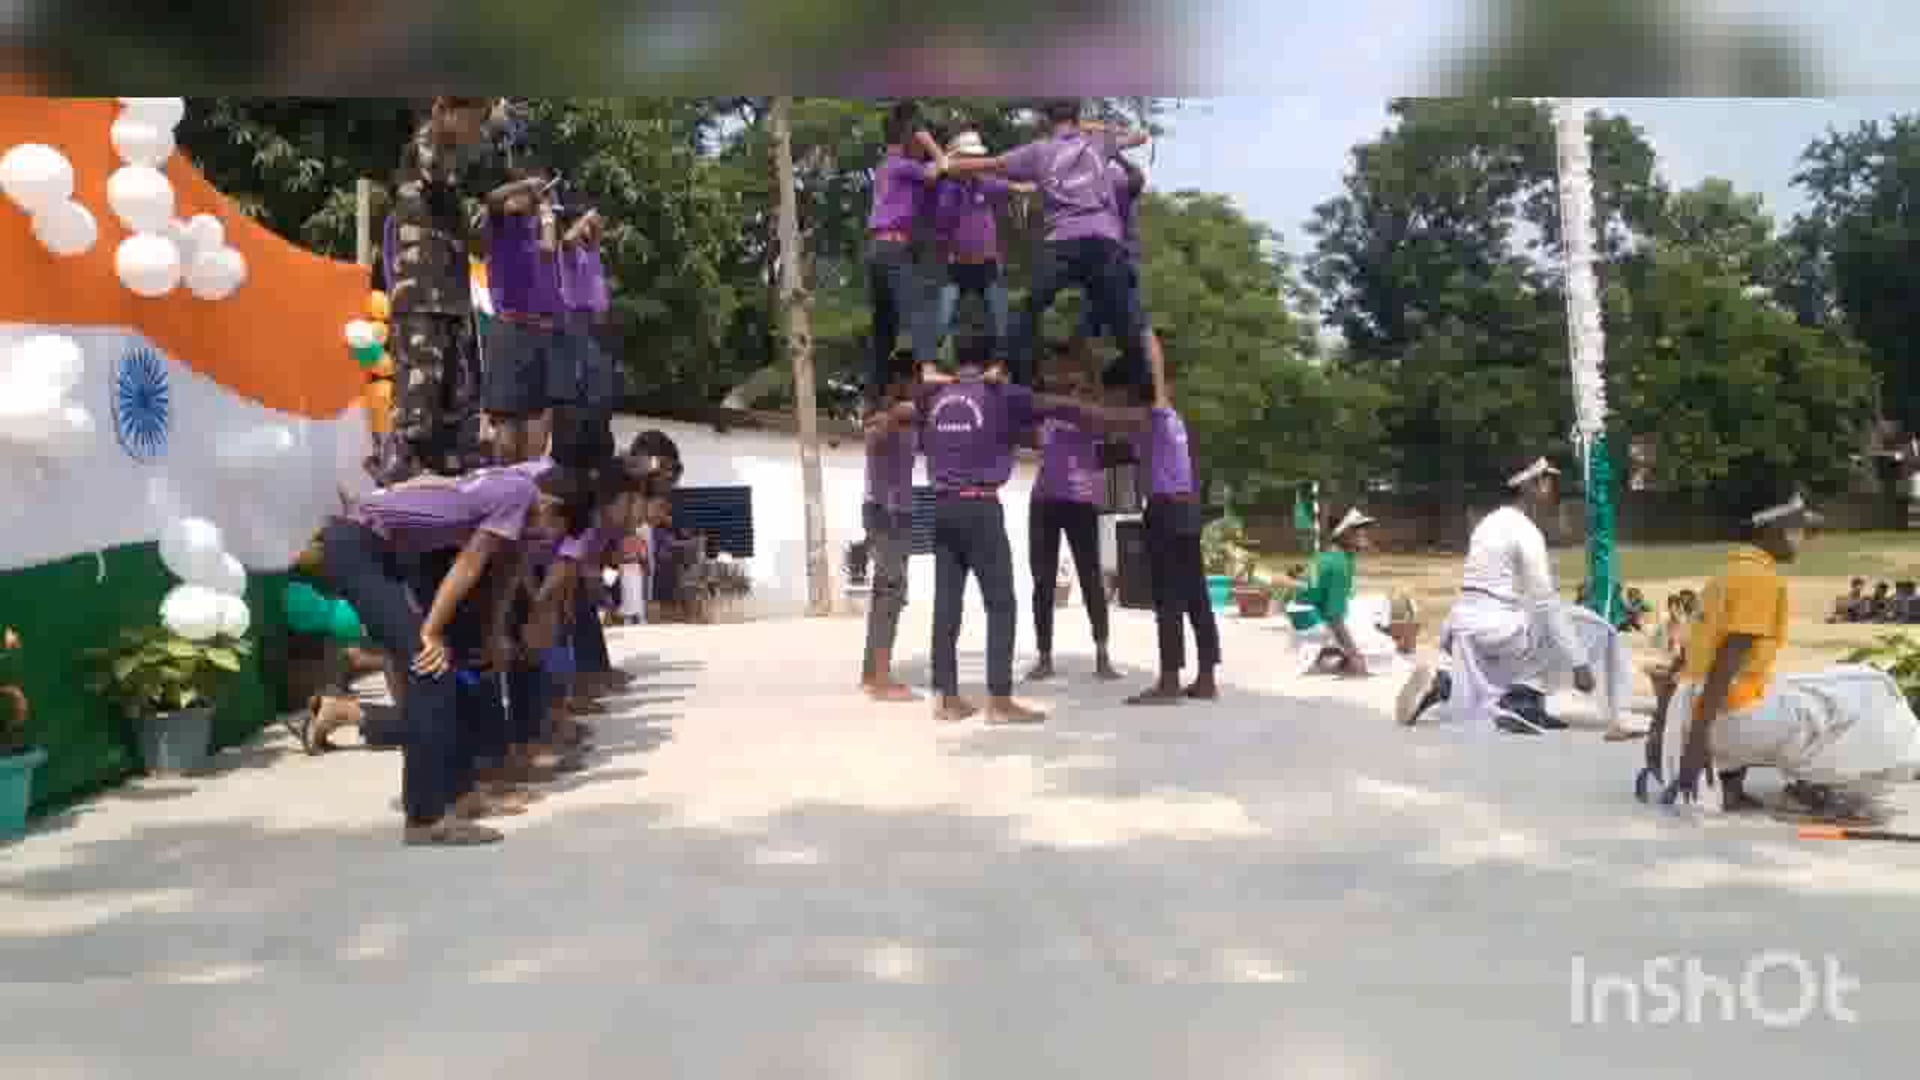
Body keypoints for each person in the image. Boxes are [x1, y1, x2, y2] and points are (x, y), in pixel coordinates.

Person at [320, 465, 588, 846]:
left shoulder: (521, 509)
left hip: (386, 551)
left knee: (452, 668)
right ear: (550, 505)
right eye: (557, 529)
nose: (550, 539)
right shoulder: (521, 494)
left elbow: (507, 573)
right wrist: (429, 633)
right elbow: (471, 562)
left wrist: (494, 634)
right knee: (430, 667)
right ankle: (426, 819)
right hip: (358, 544)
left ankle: (460, 795)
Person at [1641, 494, 1920, 821]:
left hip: (1696, 708)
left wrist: (1663, 728)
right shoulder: (1760, 580)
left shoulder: (1728, 573)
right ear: (1771, 532)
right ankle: (1816, 790)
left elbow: (1687, 657)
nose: (1802, 539)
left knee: (1812, 686)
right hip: (1726, 718)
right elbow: (1727, 661)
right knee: (1872, 689)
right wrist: (1696, 746)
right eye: (1795, 531)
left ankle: (1730, 776)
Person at [872, 334, 1097, 723]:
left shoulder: (935, 398)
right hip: (980, 507)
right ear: (994, 361)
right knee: (1001, 603)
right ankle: (999, 701)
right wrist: (1097, 410)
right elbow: (1054, 406)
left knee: (947, 604)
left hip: (942, 506)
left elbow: (908, 406)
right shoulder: (1001, 394)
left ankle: (946, 698)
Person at [1395, 457, 1638, 741]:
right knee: (1590, 626)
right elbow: (1546, 603)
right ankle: (1523, 699)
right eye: (1545, 481)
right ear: (1529, 486)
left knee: (1527, 629)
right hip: (1494, 630)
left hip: (1461, 628)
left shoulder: (1487, 524)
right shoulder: (1526, 531)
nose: (1551, 488)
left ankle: (1445, 684)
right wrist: (1580, 663)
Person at [944, 99, 1152, 390]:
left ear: (1046, 121)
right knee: (1123, 317)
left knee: (1029, 307)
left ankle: (1010, 370)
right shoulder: (1099, 142)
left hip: (1064, 242)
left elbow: (994, 164)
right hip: (1104, 240)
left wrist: (950, 165)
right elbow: (1140, 136)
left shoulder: (1039, 151)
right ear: (1077, 117)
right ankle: (1144, 385)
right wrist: (1092, 126)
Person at [380, 96, 497, 483]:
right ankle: (393, 490)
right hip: (421, 299)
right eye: (472, 120)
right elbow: (436, 163)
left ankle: (438, 487)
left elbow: (474, 240)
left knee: (451, 417)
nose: (475, 131)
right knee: (416, 413)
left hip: (451, 302)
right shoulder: (424, 147)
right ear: (443, 110)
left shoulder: (451, 176)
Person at [1122, 338, 1222, 707]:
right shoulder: (1170, 424)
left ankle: (1168, 683)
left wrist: (1145, 334)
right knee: (1196, 595)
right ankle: (1207, 679)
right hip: (1187, 510)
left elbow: (1156, 378)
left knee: (1167, 599)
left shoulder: (1160, 418)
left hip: (1166, 512)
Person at [1026, 342, 1118, 683]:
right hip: (1045, 499)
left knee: (1090, 576)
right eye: (1056, 368)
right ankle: (1044, 657)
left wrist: (1085, 381)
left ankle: (1103, 654)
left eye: (1067, 367)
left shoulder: (1091, 405)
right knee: (1042, 580)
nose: (1061, 373)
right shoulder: (1044, 404)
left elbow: (1105, 421)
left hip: (1081, 499)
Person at [479, 165, 568, 464]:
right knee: (506, 438)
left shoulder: (536, 227)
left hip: (540, 335)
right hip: (509, 331)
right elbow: (492, 199)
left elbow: (548, 248)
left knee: (536, 439)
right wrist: (527, 185)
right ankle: (502, 488)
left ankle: (527, 488)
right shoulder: (499, 224)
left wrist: (545, 209)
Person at [864, 101, 947, 405]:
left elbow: (930, 193)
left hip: (878, 250)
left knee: (884, 329)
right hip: (892, 247)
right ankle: (928, 368)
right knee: (919, 307)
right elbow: (942, 167)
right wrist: (932, 144)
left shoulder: (887, 168)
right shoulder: (900, 165)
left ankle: (872, 396)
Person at [928, 127, 1032, 363]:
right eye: (969, 157)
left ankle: (1001, 366)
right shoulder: (945, 187)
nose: (975, 163)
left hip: (988, 265)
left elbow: (1014, 187)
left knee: (1001, 320)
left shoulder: (984, 183)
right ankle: (934, 366)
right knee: (942, 320)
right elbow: (941, 218)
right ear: (957, 159)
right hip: (955, 267)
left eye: (976, 158)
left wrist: (1031, 186)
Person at [859, 348, 921, 702]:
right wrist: (894, 415)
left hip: (903, 512)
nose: (917, 388)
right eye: (914, 381)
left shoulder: (913, 415)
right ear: (899, 380)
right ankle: (880, 679)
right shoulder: (878, 414)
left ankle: (872, 673)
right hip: (883, 512)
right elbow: (872, 439)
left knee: (888, 592)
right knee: (891, 590)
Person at [1288, 508, 1401, 678]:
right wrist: (1355, 655)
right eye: (1357, 529)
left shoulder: (1333, 556)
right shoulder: (1339, 564)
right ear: (1344, 534)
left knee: (1379, 602)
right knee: (1384, 647)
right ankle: (1337, 655)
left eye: (1364, 529)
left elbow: (1308, 583)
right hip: (1310, 621)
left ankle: (1333, 651)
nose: (1364, 533)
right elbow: (1334, 616)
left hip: (1305, 613)